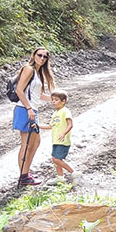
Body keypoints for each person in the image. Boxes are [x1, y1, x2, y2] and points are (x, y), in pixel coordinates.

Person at [13, 47, 55, 186]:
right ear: (34, 55)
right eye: (39, 55)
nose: (42, 58)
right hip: (25, 110)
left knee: (35, 143)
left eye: (45, 56)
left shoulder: (38, 73)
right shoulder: (29, 69)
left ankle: (26, 172)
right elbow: (19, 90)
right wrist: (29, 108)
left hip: (32, 110)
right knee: (27, 144)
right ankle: (23, 177)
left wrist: (55, 98)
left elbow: (39, 95)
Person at [39, 89, 74, 182]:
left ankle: (74, 173)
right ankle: (60, 178)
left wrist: (63, 133)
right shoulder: (55, 113)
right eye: (52, 99)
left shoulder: (65, 111)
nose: (53, 102)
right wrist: (39, 126)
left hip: (63, 141)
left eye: (56, 100)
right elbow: (51, 126)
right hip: (55, 140)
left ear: (63, 101)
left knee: (57, 159)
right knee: (55, 159)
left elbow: (70, 124)